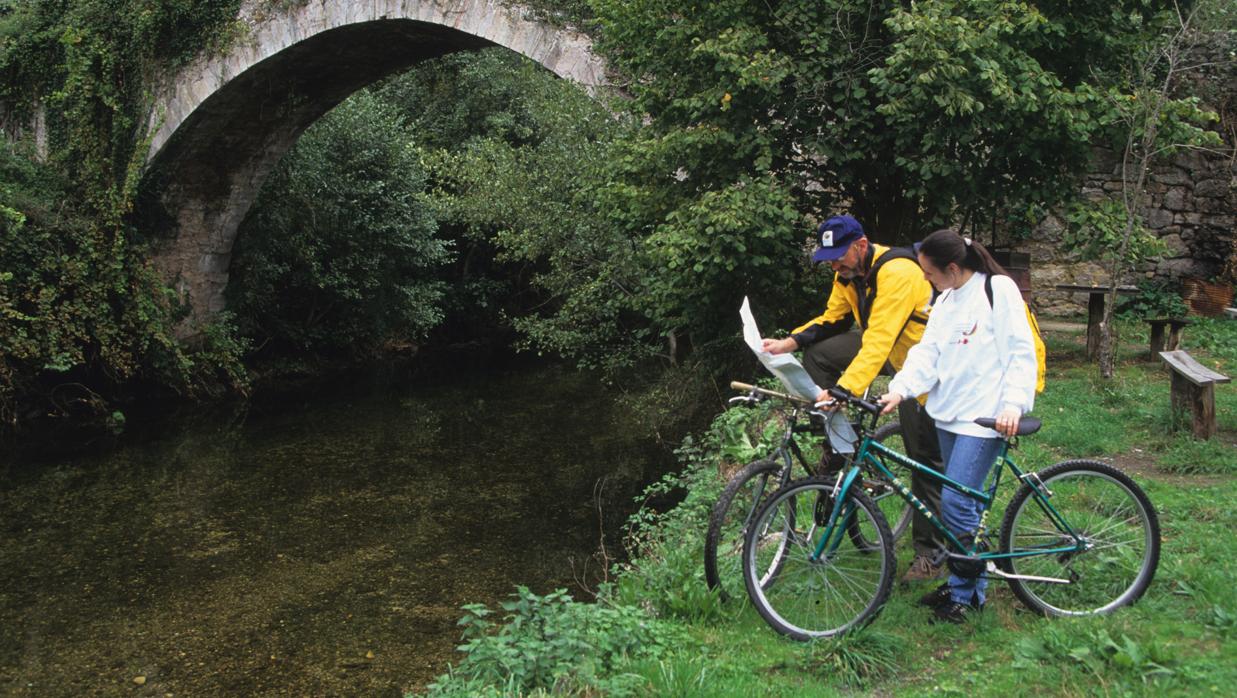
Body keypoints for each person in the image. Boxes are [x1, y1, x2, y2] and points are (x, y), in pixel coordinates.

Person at [761, 214, 946, 582]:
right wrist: (789, 342)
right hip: (889, 350)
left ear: (861, 245)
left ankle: (931, 554)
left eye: (839, 256)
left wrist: (844, 391)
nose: (834, 264)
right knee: (818, 356)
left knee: (923, 454)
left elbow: (878, 340)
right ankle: (842, 445)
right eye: (828, 257)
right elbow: (833, 319)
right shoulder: (846, 274)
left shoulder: (897, 273)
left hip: (925, 364)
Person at [879, 228, 1038, 623]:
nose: (926, 281)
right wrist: (899, 390)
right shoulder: (946, 298)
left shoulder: (997, 290)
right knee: (959, 509)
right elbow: (926, 354)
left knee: (955, 505)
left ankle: (968, 594)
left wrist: (1013, 404)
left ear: (952, 267)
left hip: (984, 419)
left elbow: (1021, 349)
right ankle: (964, 585)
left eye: (930, 274)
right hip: (948, 414)